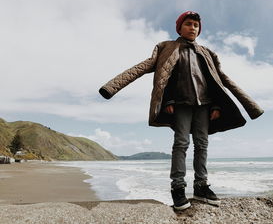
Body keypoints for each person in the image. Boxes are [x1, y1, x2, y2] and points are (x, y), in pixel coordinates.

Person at [99, 11, 264, 210]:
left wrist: (218, 105)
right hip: (180, 104)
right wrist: (111, 87)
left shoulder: (206, 52)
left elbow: (219, 80)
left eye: (196, 25)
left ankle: (201, 186)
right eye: (188, 24)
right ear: (179, 27)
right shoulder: (167, 47)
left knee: (202, 144)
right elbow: (145, 67)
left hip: (205, 105)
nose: (192, 27)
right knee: (181, 143)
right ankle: (178, 188)